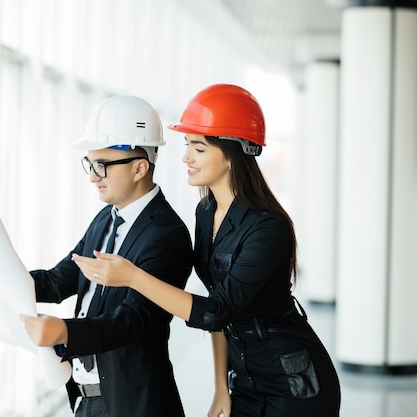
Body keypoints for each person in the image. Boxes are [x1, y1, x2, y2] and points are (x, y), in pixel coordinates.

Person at [72, 84, 341, 417]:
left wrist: (134, 277)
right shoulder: (206, 211)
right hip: (243, 379)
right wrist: (220, 388)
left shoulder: (267, 227)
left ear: (229, 154)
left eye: (198, 148)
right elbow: (219, 307)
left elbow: (215, 311)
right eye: (187, 146)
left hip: (292, 382)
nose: (185, 157)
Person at [0, 95, 193, 417]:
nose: (92, 176)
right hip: (87, 400)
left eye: (101, 166)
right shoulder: (107, 218)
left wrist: (65, 332)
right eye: (90, 165)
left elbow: (132, 321)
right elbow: (59, 280)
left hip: (134, 406)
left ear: (139, 168)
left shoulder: (166, 235)